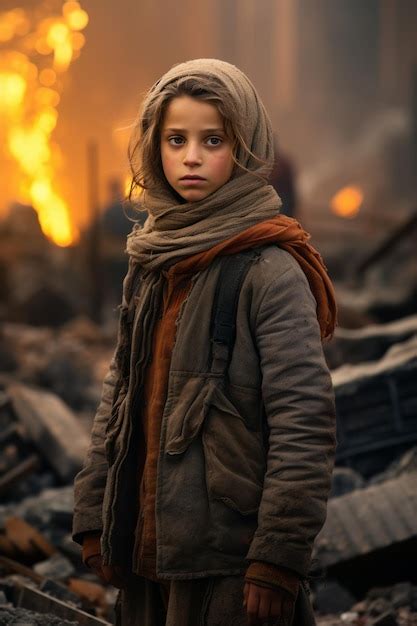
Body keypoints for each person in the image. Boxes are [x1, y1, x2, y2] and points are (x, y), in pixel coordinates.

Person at [72, 58, 337, 626]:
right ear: (154, 147)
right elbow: (119, 395)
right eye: (175, 139)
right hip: (147, 554)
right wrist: (96, 515)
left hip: (231, 568)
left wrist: (277, 560)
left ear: (245, 147)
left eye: (212, 139)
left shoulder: (270, 269)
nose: (190, 156)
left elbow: (304, 419)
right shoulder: (151, 261)